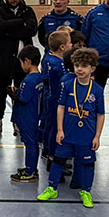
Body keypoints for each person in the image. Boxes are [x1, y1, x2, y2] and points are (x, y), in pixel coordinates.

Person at [38, 48, 105, 209]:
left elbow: (100, 115)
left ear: (92, 68)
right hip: (67, 133)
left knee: (87, 164)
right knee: (58, 160)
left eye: (84, 66)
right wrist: (60, 130)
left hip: (87, 136)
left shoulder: (97, 90)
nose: (79, 69)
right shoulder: (67, 85)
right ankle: (52, 188)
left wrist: (97, 136)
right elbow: (60, 107)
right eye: (77, 65)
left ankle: (86, 191)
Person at [0, 0, 38, 132]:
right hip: (3, 58)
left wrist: (10, 28)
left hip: (23, 61)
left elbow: (32, 29)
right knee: (1, 91)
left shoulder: (27, 10)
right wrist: (19, 24)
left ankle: (18, 122)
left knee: (21, 91)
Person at [9, 46, 44, 183]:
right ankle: (32, 168)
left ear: (27, 61)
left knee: (29, 143)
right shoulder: (39, 77)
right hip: (34, 116)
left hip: (26, 117)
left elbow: (22, 99)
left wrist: (11, 93)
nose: (21, 66)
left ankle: (29, 171)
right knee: (33, 143)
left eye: (21, 63)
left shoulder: (28, 80)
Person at [40, 31, 73, 175]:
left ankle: (48, 153)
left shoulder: (48, 58)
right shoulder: (58, 64)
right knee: (55, 127)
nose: (71, 45)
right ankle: (53, 158)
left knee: (50, 125)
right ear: (62, 47)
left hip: (50, 97)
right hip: (56, 100)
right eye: (70, 43)